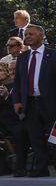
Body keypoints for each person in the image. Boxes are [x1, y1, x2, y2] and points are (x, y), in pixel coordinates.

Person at [12, 24, 56, 177]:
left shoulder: (53, 55)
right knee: (35, 136)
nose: (27, 37)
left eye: (31, 34)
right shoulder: (23, 57)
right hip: (30, 103)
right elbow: (17, 82)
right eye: (26, 34)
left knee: (54, 136)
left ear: (41, 36)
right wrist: (17, 101)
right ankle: (41, 168)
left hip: (51, 103)